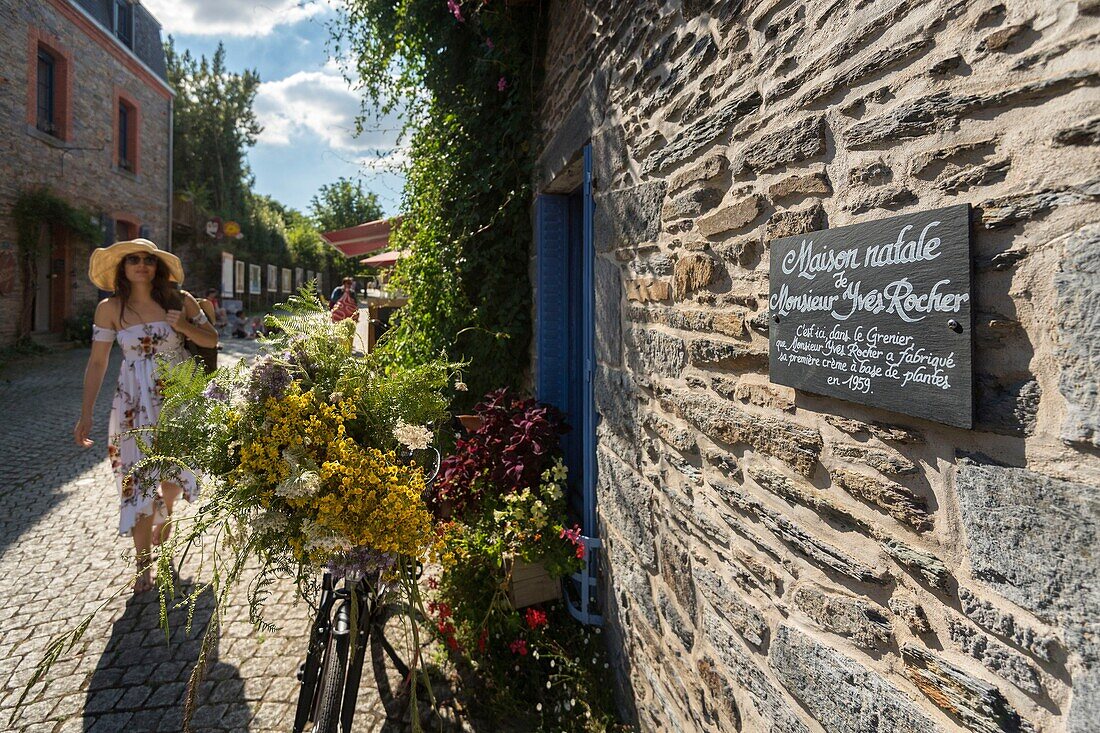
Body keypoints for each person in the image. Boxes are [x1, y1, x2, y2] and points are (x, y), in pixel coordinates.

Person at [73, 238, 218, 594]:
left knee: (172, 476)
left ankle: (165, 520)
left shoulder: (179, 301)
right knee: (137, 482)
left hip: (178, 397)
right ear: (122, 268)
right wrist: (86, 412)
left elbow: (212, 340)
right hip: (134, 401)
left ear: (157, 267)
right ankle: (143, 565)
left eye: (148, 260)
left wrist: (183, 326)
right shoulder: (109, 309)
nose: (141, 265)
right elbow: (97, 362)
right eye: (133, 260)